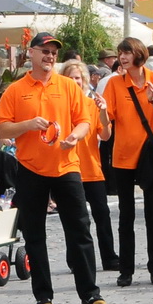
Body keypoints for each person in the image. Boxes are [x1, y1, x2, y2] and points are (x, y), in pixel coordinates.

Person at [0, 32, 105, 304]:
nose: (50, 56)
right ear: (30, 53)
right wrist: (27, 124)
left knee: (80, 229)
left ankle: (90, 292)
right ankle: (43, 295)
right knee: (34, 233)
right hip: (31, 168)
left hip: (66, 165)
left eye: (54, 51)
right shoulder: (16, 90)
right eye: (44, 50)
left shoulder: (68, 86)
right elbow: (1, 128)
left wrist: (76, 137)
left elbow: (85, 121)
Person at [100, 38, 153, 287]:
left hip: (150, 158)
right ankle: (126, 270)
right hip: (122, 157)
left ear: (138, 54)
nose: (123, 57)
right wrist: (100, 109)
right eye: (120, 53)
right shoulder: (115, 83)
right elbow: (106, 121)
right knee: (126, 216)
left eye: (127, 52)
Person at [62, 59, 118, 273]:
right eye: (70, 78)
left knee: (102, 215)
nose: (74, 82)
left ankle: (109, 257)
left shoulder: (92, 103)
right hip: (67, 168)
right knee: (75, 220)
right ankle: (76, 259)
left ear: (84, 80)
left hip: (92, 168)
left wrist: (103, 111)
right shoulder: (58, 104)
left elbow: (105, 135)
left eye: (77, 78)